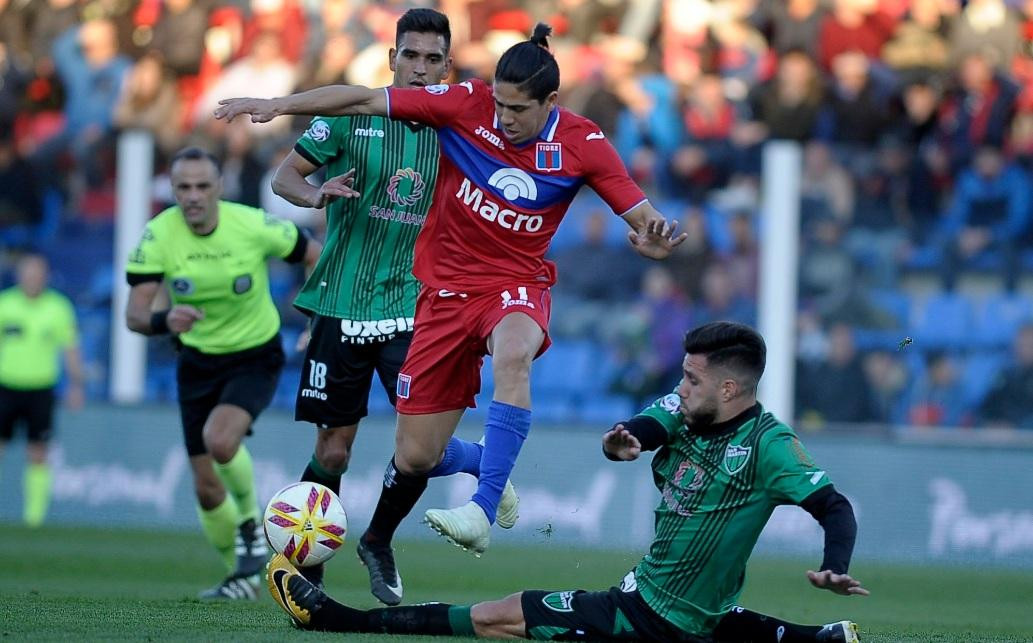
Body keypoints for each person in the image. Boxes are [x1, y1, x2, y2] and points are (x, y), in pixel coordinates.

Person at [215, 23, 687, 592]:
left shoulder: (582, 143)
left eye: (518, 109)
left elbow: (642, 216)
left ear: (551, 104)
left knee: (515, 352)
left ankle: (480, 509)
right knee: (412, 457)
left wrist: (654, 236)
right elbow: (362, 98)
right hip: (437, 297)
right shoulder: (467, 105)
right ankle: (484, 461)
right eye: (501, 104)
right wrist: (276, 104)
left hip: (511, 287)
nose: (505, 117)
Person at [264, 322, 866, 643]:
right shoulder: (686, 409)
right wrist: (621, 440)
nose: (680, 386)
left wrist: (834, 564)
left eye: (692, 378)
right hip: (671, 598)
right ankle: (819, 639)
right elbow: (640, 428)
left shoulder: (768, 447)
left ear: (730, 389)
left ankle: (336, 621)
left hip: (646, 616)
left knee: (497, 615)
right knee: (710, 616)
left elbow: (835, 507)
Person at [270, 8, 458, 604]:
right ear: (392, 59)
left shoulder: (457, 130)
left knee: (418, 449)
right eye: (412, 56)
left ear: (446, 67)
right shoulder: (352, 120)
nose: (421, 69)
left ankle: (377, 539)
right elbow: (285, 177)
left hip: (411, 306)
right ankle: (304, 563)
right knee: (335, 449)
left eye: (434, 60)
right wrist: (314, 191)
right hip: (341, 301)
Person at [124, 146, 321, 600]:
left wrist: (314, 311)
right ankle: (244, 576)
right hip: (196, 361)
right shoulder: (157, 236)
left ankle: (252, 526)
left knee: (220, 440)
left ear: (219, 187)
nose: (192, 196)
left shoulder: (250, 225)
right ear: (172, 191)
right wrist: (162, 320)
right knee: (207, 489)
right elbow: (134, 316)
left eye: (201, 186)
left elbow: (314, 252)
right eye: (183, 188)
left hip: (255, 354)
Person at [0, 253, 84, 527]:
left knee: (38, 451)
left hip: (41, 388)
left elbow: (70, 349)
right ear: (19, 276)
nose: (32, 280)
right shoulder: (5, 304)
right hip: (5, 385)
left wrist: (76, 385)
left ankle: (34, 518)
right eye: (28, 274)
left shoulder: (59, 308)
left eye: (37, 275)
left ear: (45, 277)